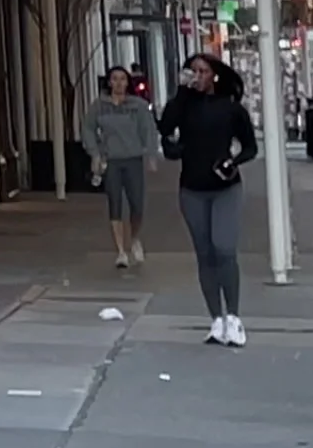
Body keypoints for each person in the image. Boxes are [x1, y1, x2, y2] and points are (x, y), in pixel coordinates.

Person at [158, 56, 261, 346]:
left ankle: (235, 318)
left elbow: (250, 146)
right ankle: (216, 318)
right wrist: (181, 92)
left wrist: (233, 161)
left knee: (224, 249)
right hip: (192, 188)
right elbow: (165, 127)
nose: (198, 77)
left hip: (225, 188)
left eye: (203, 72)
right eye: (193, 72)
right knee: (205, 254)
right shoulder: (184, 105)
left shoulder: (230, 108)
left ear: (214, 76)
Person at [81, 68, 160, 270]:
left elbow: (148, 130)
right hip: (112, 160)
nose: (118, 83)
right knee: (114, 202)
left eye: (122, 79)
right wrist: (96, 152)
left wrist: (150, 154)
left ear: (127, 82)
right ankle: (120, 251)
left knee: (136, 204)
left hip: (133, 158)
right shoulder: (99, 106)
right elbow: (88, 128)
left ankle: (134, 238)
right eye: (114, 79)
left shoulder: (137, 106)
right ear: (109, 82)